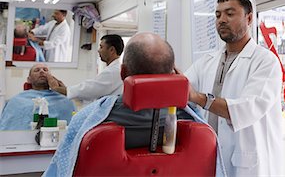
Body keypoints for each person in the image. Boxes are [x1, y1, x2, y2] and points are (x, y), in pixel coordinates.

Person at [43, 32, 194, 177]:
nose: (98, 50)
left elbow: (65, 167)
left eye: (101, 46)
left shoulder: (91, 119)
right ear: (174, 73)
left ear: (122, 73)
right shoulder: (189, 117)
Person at [182, 0, 283, 176]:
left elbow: (247, 108)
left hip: (248, 163)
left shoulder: (265, 61)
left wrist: (199, 98)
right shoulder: (207, 61)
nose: (222, 20)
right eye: (218, 15)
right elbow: (183, 87)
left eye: (229, 14)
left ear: (249, 18)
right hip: (209, 156)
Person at [48, 35, 124, 105]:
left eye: (101, 47)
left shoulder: (113, 71)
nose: (98, 50)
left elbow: (89, 90)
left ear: (111, 50)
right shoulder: (114, 69)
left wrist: (59, 89)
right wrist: (65, 89)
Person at [0, 63, 75, 130]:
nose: (42, 71)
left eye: (45, 70)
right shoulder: (16, 101)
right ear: (29, 79)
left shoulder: (65, 100)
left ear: (52, 77)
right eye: (37, 70)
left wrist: (61, 89)